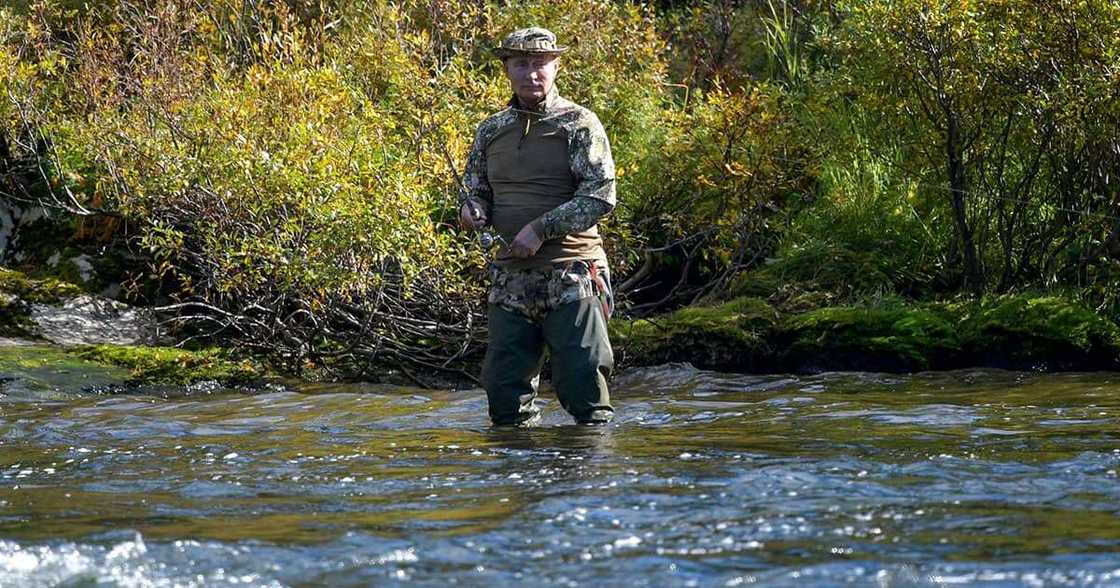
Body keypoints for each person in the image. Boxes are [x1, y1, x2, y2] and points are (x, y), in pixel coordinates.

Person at [458, 27, 617, 427]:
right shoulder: (491, 129)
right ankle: (523, 479)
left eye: (541, 64)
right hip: (510, 278)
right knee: (504, 398)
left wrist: (540, 229)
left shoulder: (580, 123)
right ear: (507, 69)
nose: (532, 73)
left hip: (573, 274)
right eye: (522, 64)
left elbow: (599, 195)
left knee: (585, 389)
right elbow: (475, 192)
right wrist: (472, 210)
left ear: (556, 66)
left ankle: (590, 480)